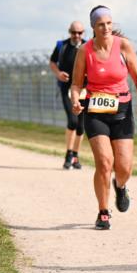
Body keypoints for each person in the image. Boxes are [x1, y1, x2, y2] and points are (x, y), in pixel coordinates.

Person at [69, 6, 137, 230]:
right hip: (95, 110)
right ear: (93, 28)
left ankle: (121, 186)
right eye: (100, 24)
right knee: (105, 162)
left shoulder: (123, 46)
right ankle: (103, 212)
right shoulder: (85, 51)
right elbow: (76, 84)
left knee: (124, 167)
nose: (105, 28)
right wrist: (75, 99)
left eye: (108, 23)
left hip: (122, 109)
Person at [50, 21, 87, 169]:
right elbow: (52, 62)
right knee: (72, 121)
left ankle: (75, 156)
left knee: (81, 125)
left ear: (83, 33)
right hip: (67, 89)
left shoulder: (88, 46)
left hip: (84, 89)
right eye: (73, 32)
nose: (76, 35)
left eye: (79, 33)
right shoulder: (62, 46)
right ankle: (68, 154)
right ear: (69, 32)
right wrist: (58, 73)